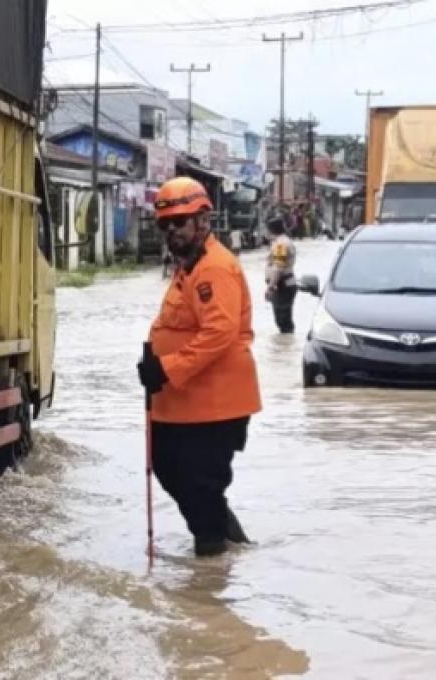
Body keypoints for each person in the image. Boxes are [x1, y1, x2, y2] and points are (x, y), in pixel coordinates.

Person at [137, 177, 262, 557]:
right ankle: (228, 549)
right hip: (185, 403)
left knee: (200, 483)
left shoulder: (214, 269)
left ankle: (212, 573)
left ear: (203, 221)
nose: (171, 231)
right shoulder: (188, 267)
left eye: (180, 222)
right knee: (171, 469)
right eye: (165, 224)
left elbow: (219, 332)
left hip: (214, 405)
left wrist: (167, 367)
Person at [265, 216, 298, 334]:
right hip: (285, 284)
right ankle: (287, 345)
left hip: (282, 285)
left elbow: (278, 268)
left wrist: (271, 287)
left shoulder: (280, 245)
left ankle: (287, 345)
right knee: (284, 318)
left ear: (270, 230)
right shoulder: (283, 242)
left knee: (283, 320)